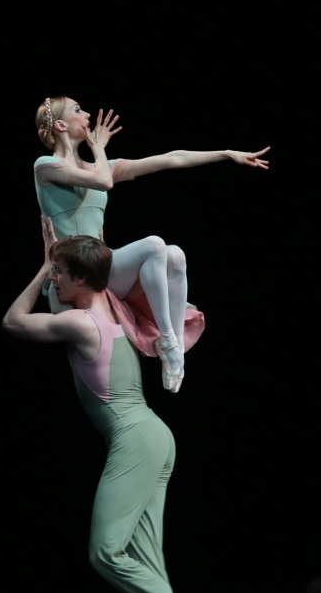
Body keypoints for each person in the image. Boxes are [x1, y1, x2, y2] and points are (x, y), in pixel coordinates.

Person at [2, 215, 217, 593]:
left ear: (80, 279)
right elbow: (89, 274)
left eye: (60, 273)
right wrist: (67, 249)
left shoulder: (80, 323)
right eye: (53, 272)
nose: (53, 279)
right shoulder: (110, 307)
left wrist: (41, 269)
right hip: (155, 437)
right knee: (144, 557)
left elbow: (13, 322)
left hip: (136, 439)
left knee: (105, 552)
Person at [34, 95, 270, 393]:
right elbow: (104, 182)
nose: (87, 114)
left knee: (174, 254)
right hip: (72, 275)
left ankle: (172, 346)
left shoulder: (99, 166)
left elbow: (171, 158)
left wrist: (225, 153)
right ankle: (168, 339)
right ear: (60, 124)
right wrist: (99, 149)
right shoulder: (45, 166)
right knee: (154, 244)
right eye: (78, 110)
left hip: (99, 265)